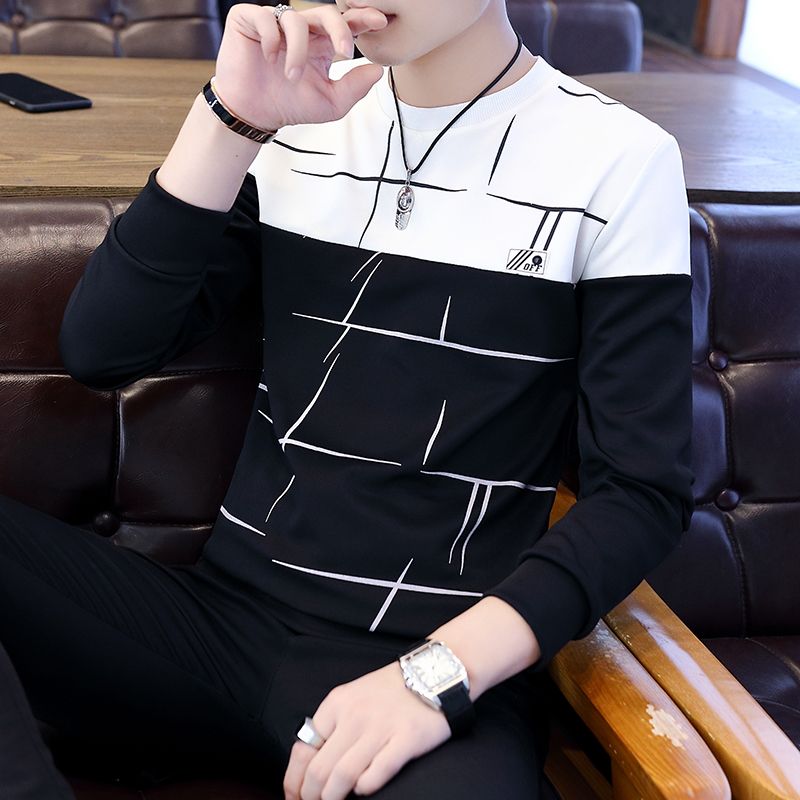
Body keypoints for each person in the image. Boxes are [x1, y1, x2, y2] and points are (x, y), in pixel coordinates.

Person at [0, 1, 695, 798]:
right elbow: (103, 349)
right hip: (214, 631)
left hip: (427, 662)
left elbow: (640, 493)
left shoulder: (619, 159)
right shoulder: (296, 123)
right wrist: (231, 118)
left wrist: (434, 678)